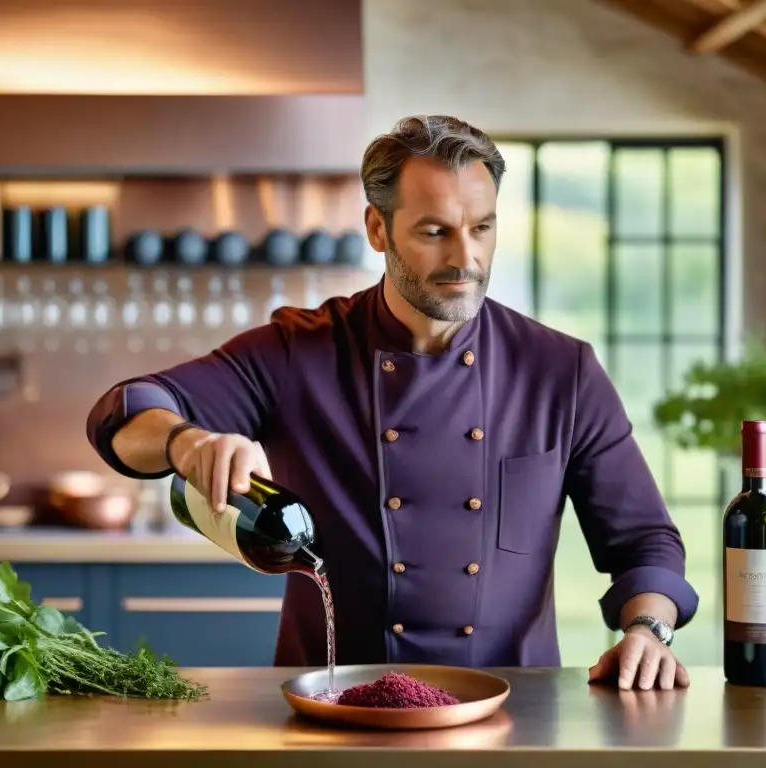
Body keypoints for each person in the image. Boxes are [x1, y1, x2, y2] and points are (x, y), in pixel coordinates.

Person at [86, 115, 699, 691]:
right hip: (333, 721)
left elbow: (645, 541)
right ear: (378, 229)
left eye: (481, 227)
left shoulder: (560, 370)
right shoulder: (299, 351)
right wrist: (184, 441)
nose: (466, 259)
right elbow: (125, 411)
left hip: (513, 719)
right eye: (435, 232)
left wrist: (648, 630)